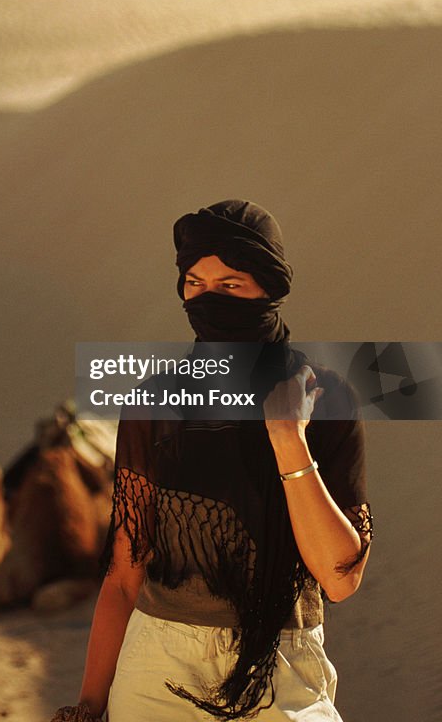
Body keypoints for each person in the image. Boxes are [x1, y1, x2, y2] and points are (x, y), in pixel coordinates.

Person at [51, 200, 373, 721]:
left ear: (269, 288)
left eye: (230, 285)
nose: (208, 299)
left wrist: (288, 439)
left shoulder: (327, 399)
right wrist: (89, 705)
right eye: (195, 283)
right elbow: (123, 575)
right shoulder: (155, 404)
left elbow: (338, 579)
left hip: (284, 666)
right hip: (158, 666)